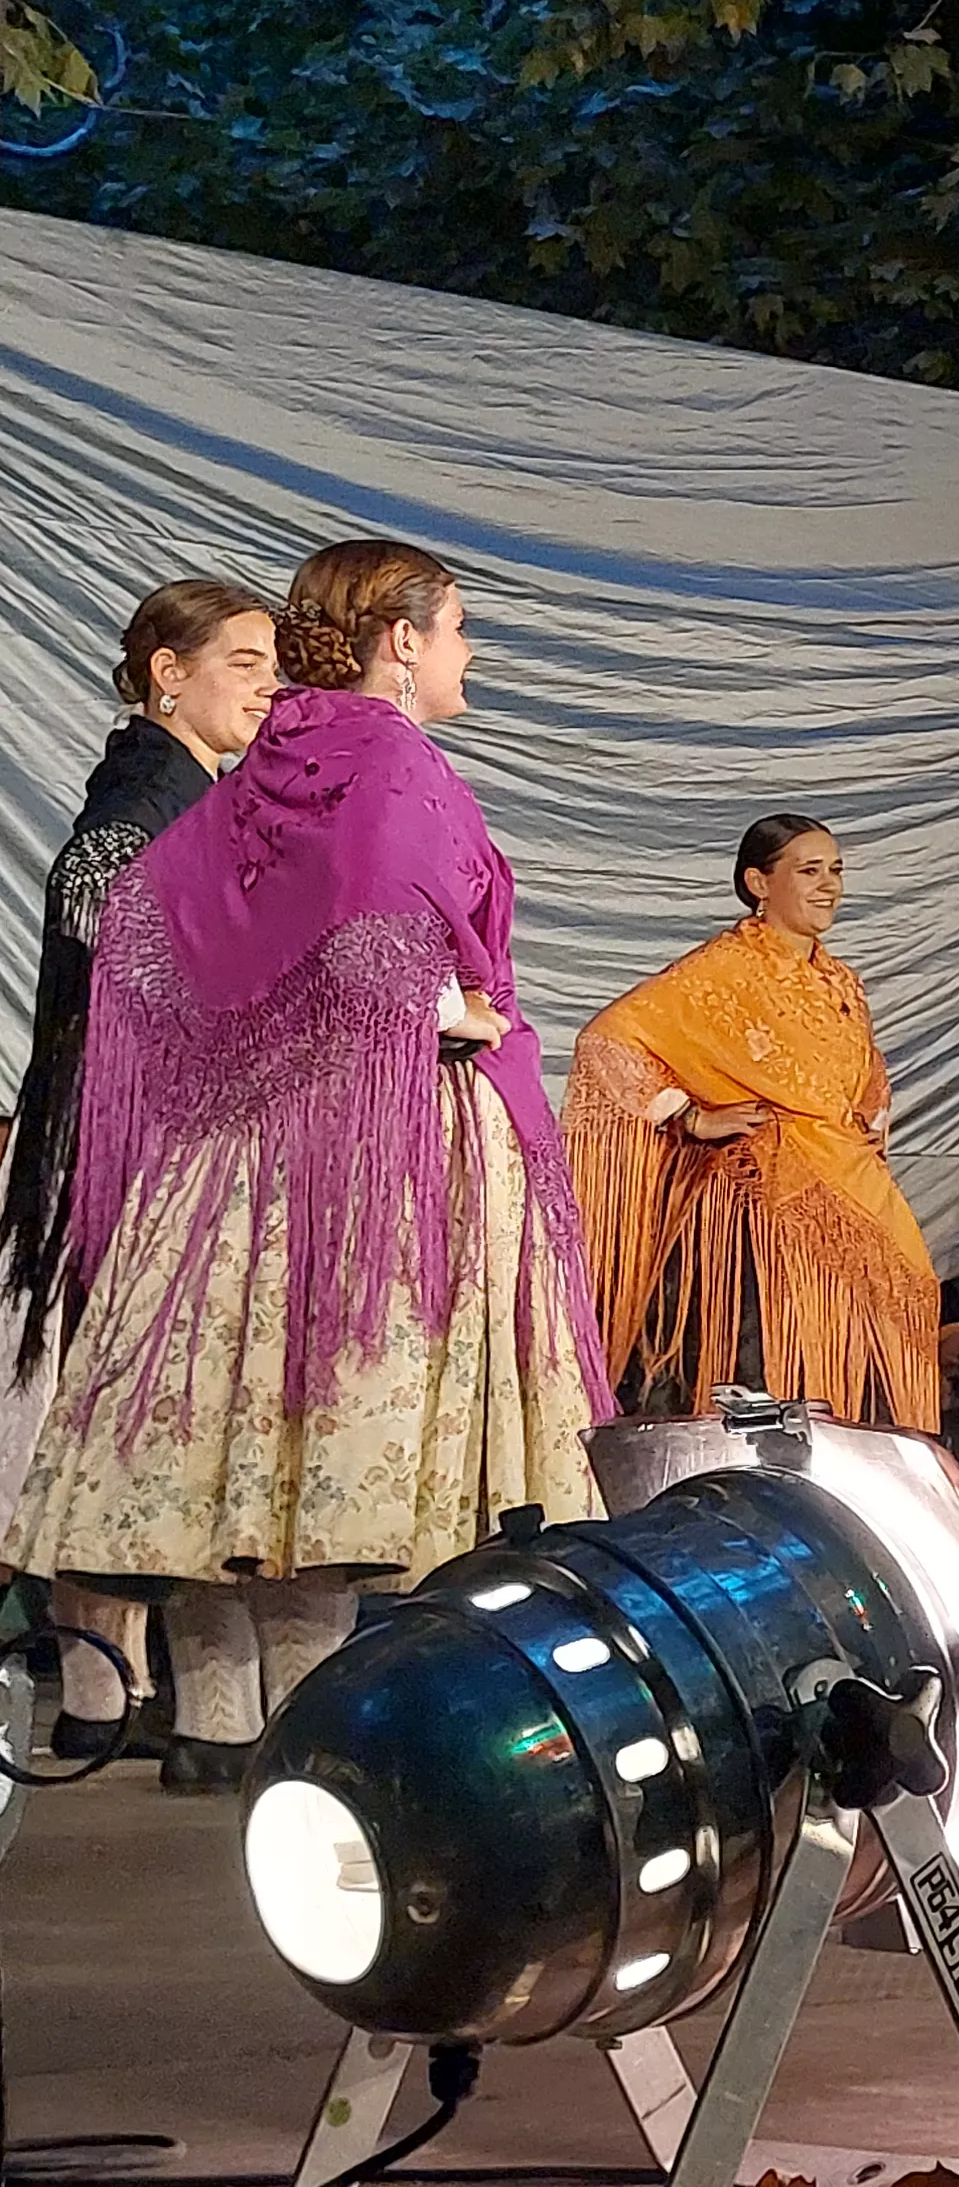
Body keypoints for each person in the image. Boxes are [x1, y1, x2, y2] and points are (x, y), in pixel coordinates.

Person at [24, 540, 608, 1789]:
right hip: (362, 1143)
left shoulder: (280, 752)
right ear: (401, 642)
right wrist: (455, 1014)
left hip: (247, 1148)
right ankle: (315, 1744)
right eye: (456, 630)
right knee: (339, 1435)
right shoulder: (391, 755)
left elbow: (150, 922)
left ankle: (223, 1731)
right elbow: (362, 945)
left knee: (266, 1444)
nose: (469, 653)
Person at [1, 576, 280, 1763]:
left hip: (129, 1144)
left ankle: (104, 1700)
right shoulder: (146, 791)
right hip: (123, 1155)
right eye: (248, 661)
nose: (272, 684)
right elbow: (98, 908)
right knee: (116, 1410)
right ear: (169, 672)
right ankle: (114, 1699)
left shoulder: (199, 794)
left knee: (116, 1411)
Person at [569, 816, 941, 1432]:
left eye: (836, 870)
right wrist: (691, 1115)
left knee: (869, 1352)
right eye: (809, 870)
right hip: (756, 1207)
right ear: (758, 882)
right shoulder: (723, 969)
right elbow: (610, 1040)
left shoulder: (841, 979)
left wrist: (872, 1114)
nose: (829, 886)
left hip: (848, 1191)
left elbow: (860, 1069)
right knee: (760, 1364)